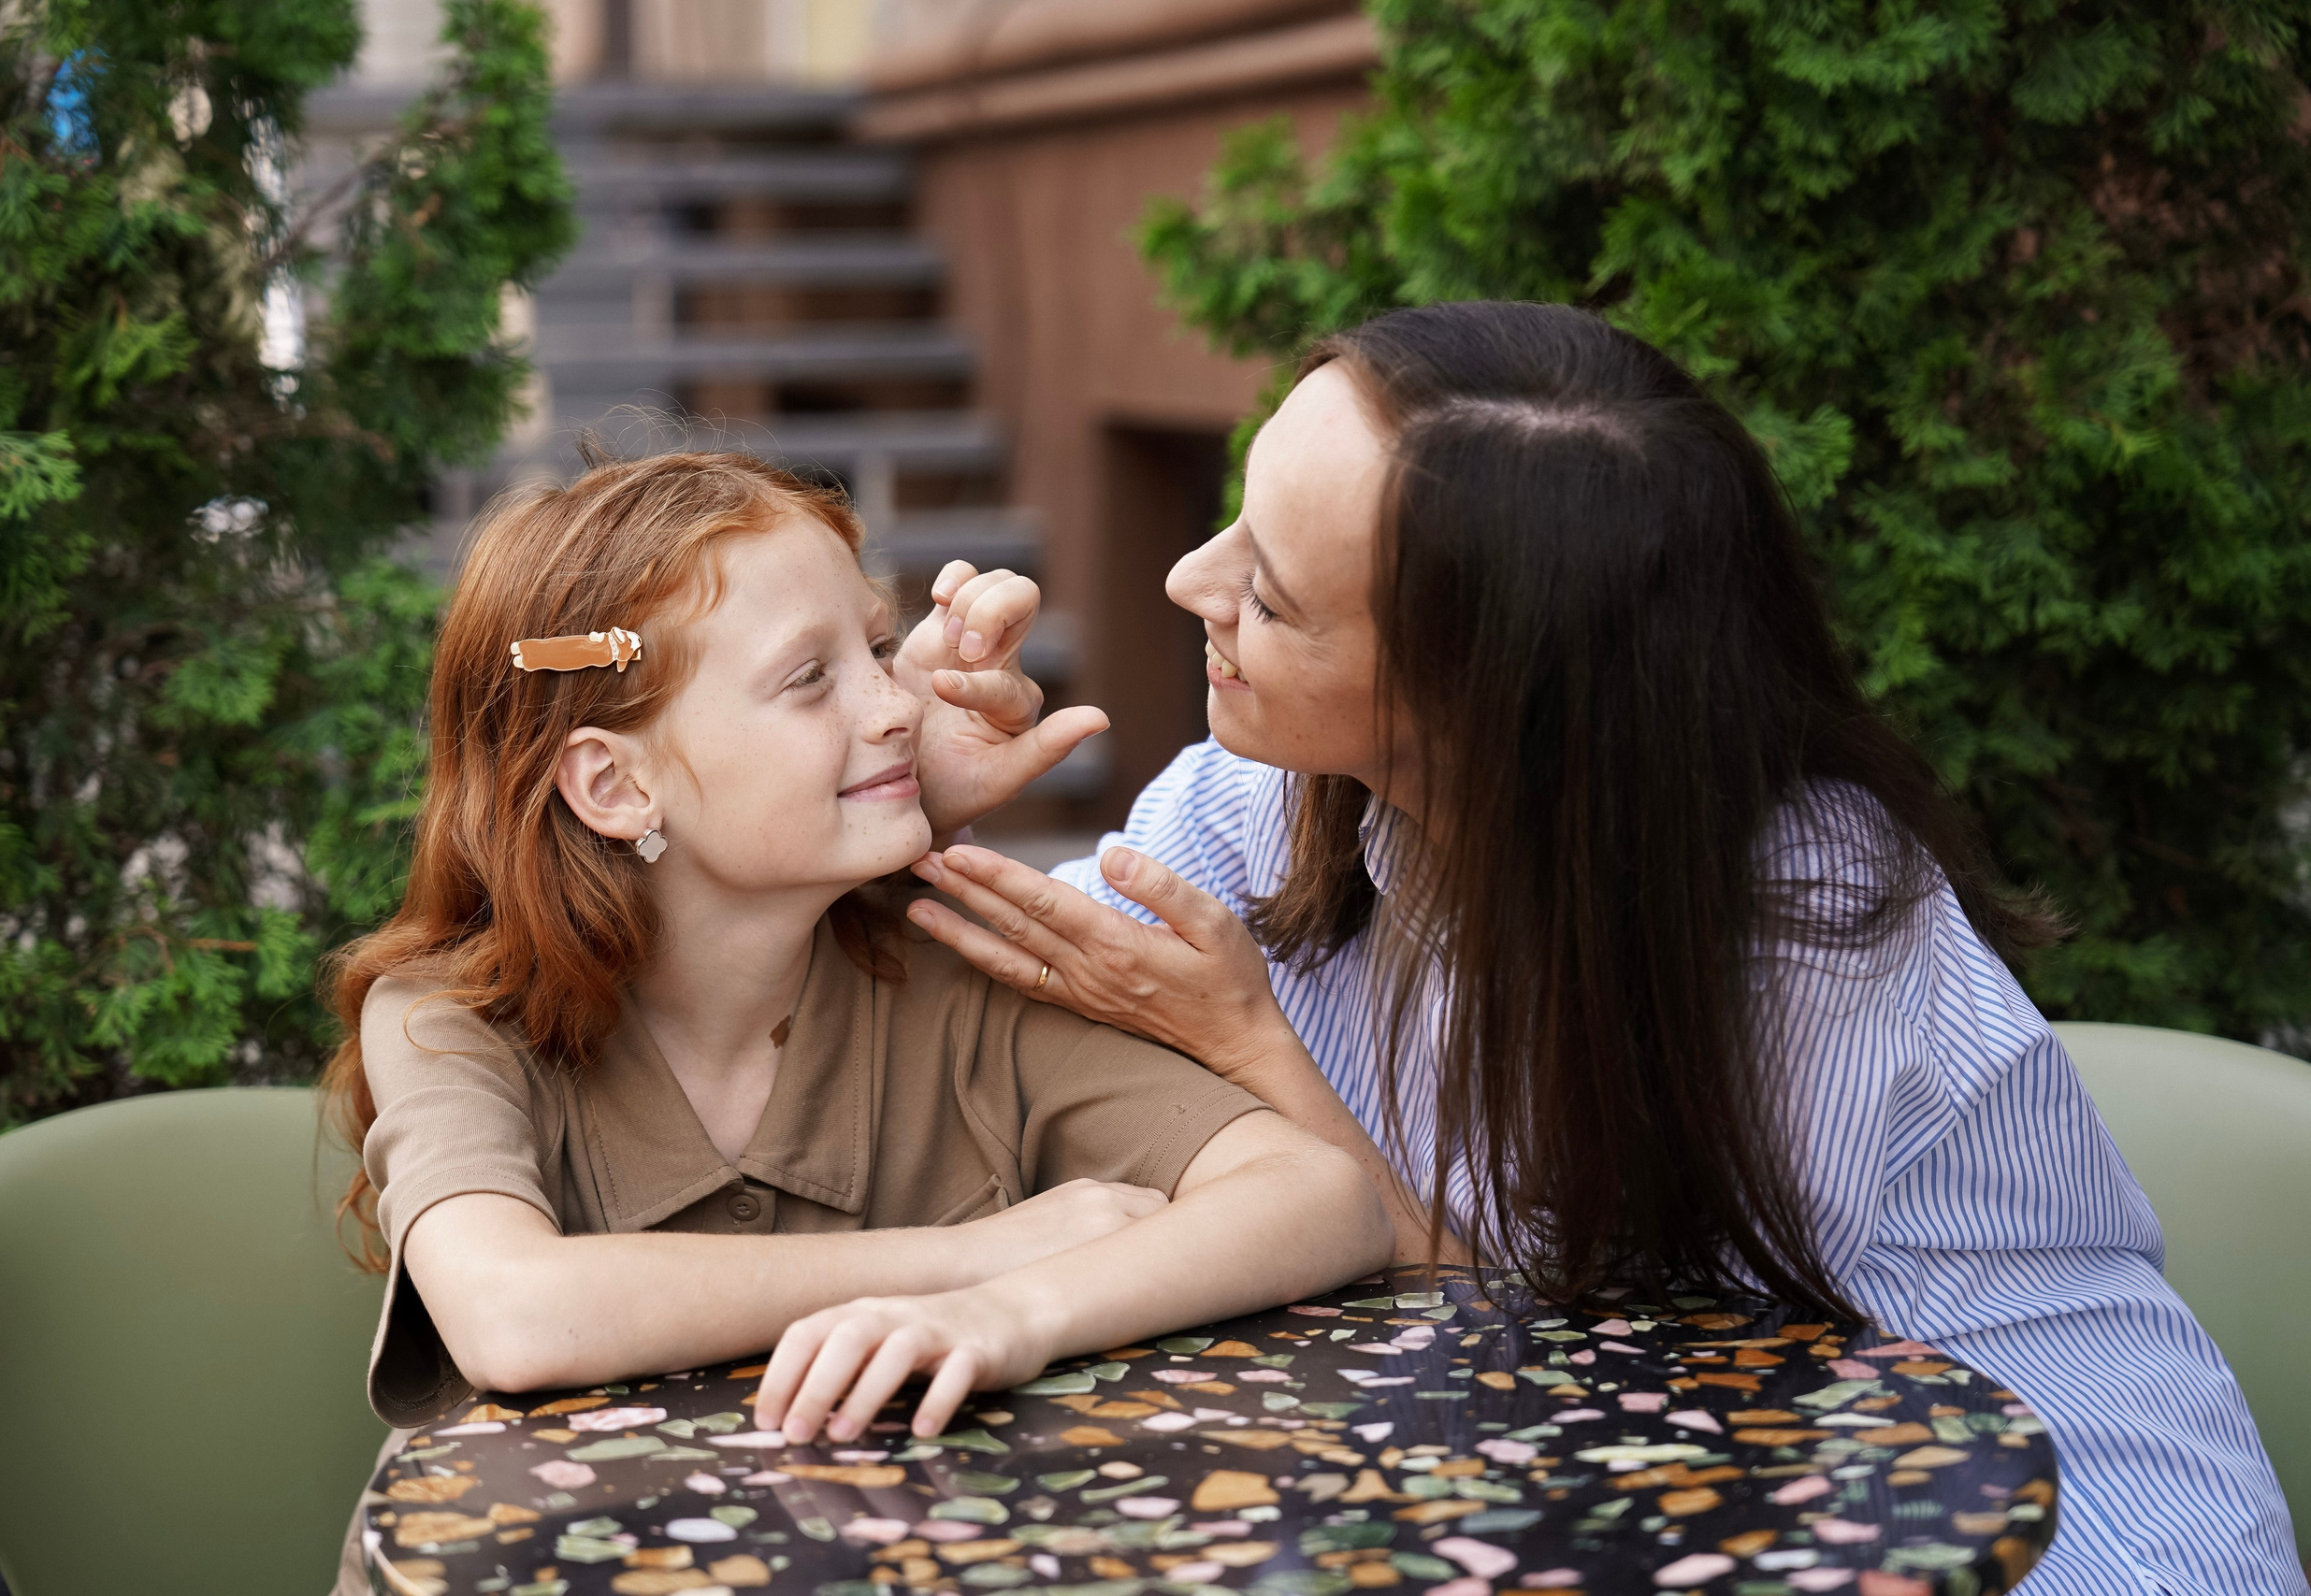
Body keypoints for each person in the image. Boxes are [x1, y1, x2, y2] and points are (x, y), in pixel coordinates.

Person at [904, 301, 2304, 1595]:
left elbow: (1584, 1386)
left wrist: (1249, 1047)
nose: (1184, 578)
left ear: (1488, 696)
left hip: (2043, 1531)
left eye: (1271, 595)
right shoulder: (1262, 798)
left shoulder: (1798, 926)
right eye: (1234, 520)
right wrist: (899, 795)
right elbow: (959, 1001)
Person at [316, 451, 1393, 1589]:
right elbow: (514, 1314)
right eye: (808, 679)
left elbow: (1322, 1198)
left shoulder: (953, 972)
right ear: (616, 787)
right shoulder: (451, 1020)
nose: (898, 707)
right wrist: (975, 1255)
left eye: (876, 650)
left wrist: (1014, 1311)